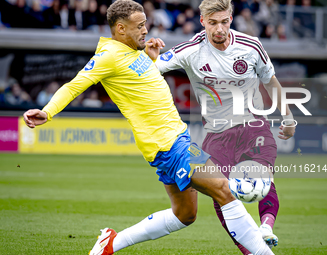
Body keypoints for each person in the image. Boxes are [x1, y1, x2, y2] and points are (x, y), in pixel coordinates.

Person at [23, 1, 274, 255]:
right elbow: (74, 85)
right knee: (223, 190)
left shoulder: (134, 52)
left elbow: (142, 83)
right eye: (140, 26)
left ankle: (111, 243)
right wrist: (48, 111)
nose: (146, 30)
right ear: (120, 28)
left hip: (174, 140)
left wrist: (151, 59)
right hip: (169, 145)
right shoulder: (108, 56)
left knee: (185, 214)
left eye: (146, 24)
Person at [155, 0, 296, 254]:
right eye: (212, 23)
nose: (219, 29)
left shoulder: (251, 46)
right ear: (202, 22)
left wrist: (288, 117)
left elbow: (271, 82)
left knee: (262, 176)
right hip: (216, 134)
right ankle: (251, 248)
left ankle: (265, 226)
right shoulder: (190, 50)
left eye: (224, 22)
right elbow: (151, 70)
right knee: (220, 194)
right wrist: (147, 54)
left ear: (231, 18)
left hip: (253, 125)